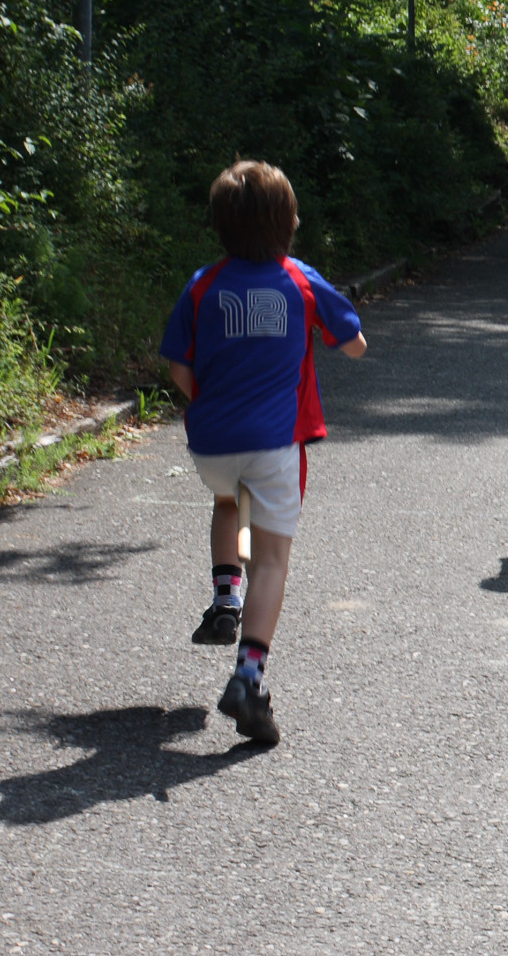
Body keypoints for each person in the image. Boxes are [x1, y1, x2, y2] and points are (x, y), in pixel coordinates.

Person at [160, 161, 366, 746]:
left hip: (212, 442)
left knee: (230, 501)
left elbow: (178, 362)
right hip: (276, 443)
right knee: (272, 561)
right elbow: (353, 346)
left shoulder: (202, 284)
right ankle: (249, 677)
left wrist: (211, 401)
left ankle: (225, 594)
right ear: (289, 223)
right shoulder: (299, 280)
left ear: (221, 225)